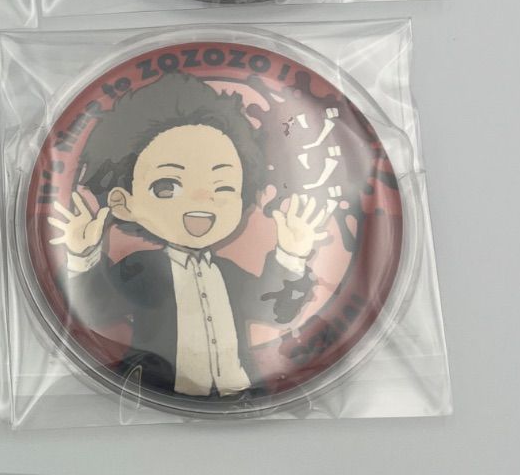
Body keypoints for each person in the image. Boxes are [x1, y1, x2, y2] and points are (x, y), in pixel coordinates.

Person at [48, 76, 329, 397]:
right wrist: (83, 255)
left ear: (243, 198)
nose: (200, 199)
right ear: (123, 203)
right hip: (154, 388)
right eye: (167, 186)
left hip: (239, 392)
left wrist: (291, 255)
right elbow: (97, 312)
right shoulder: (141, 269)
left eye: (223, 187)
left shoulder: (229, 274)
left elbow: (277, 311)